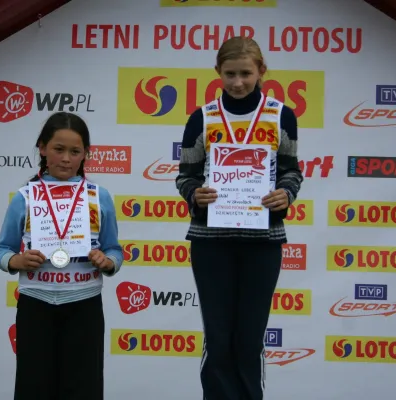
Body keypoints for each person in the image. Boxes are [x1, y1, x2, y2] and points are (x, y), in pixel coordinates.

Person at [175, 36, 304, 400]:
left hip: (262, 242)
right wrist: (194, 194)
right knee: (218, 338)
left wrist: (285, 194)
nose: (237, 82)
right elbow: (185, 175)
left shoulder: (282, 115)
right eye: (229, 74)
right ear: (218, 71)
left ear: (261, 71)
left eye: (246, 73)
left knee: (250, 339)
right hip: (211, 242)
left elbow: (291, 171)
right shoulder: (202, 117)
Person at [0, 111, 123, 400]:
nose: (66, 159)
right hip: (36, 304)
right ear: (42, 148)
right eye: (58, 149)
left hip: (84, 304)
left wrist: (108, 262)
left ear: (86, 154)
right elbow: (0, 250)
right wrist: (16, 261)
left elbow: (114, 249)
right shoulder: (25, 196)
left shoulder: (98, 196)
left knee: (83, 388)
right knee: (34, 386)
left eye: (75, 152)